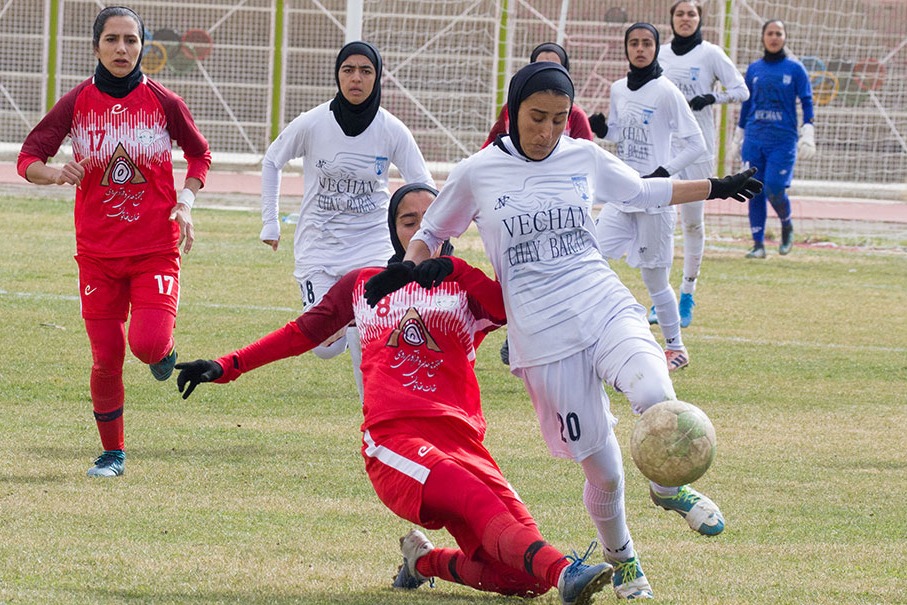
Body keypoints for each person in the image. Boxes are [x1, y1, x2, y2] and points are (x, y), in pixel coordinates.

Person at [364, 61, 761, 599]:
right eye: (536, 117)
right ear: (512, 112)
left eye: (558, 118)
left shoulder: (582, 154)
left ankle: (668, 485)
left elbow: (642, 192)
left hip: (600, 300)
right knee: (604, 471)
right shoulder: (479, 171)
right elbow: (432, 231)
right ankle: (622, 558)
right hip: (542, 336)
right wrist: (406, 269)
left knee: (656, 393)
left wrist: (717, 186)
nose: (547, 131)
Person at [174, 185, 613, 605]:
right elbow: (300, 333)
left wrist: (458, 270)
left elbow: (510, 311)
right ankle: (565, 572)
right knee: (489, 515)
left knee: (520, 578)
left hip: (463, 442)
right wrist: (225, 366)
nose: (421, 230)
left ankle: (424, 561)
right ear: (394, 231)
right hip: (394, 440)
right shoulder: (364, 283)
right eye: (409, 222)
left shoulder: (464, 285)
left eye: (432, 220)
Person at [16, 6, 211, 478]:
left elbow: (199, 154)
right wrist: (55, 173)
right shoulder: (77, 102)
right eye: (112, 40)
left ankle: (162, 352)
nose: (122, 49)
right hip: (97, 256)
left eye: (130, 40)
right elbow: (27, 158)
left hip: (154, 250)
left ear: (143, 45)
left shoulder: (164, 101)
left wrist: (185, 202)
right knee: (106, 357)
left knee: (145, 346)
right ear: (96, 46)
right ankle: (112, 453)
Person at [259, 40, 435, 400]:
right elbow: (272, 160)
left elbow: (425, 186)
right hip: (318, 247)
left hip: (372, 246)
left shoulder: (392, 130)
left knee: (366, 329)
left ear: (378, 76)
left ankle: (373, 416)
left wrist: (433, 237)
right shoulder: (312, 123)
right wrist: (270, 221)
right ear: (337, 75)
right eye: (348, 70)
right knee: (324, 344)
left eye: (365, 71)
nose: (356, 78)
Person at [594, 22, 706, 372]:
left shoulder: (667, 91)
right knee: (591, 256)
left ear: (656, 48)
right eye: (634, 43)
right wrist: (603, 129)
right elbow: (618, 132)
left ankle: (675, 348)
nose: (640, 49)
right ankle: (593, 333)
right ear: (626, 49)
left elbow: (696, 144)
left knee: (654, 279)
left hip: (655, 198)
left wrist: (664, 173)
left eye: (646, 43)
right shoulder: (617, 88)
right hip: (622, 194)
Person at [484, 41, 593, 367]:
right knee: (518, 273)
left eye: (555, 65)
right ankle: (516, 336)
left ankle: (573, 336)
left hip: (557, 211)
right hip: (517, 209)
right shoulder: (510, 111)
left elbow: (587, 163)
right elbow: (488, 152)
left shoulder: (575, 115)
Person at [658, 0, 750, 327]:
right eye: (680, 13)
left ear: (700, 19)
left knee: (692, 223)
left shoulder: (710, 53)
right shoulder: (661, 54)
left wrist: (713, 97)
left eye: (692, 14)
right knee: (662, 220)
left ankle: (687, 293)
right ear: (672, 19)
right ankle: (663, 298)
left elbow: (742, 91)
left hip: (699, 149)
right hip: (666, 149)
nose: (686, 19)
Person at [736, 19, 815, 258]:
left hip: (783, 140)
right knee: (753, 188)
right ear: (762, 37)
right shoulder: (754, 69)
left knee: (774, 187)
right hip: (754, 137)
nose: (774, 37)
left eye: (778, 33)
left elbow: (807, 100)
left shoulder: (795, 69)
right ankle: (758, 245)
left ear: (785, 38)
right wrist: (738, 134)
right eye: (770, 33)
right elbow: (747, 102)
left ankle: (786, 223)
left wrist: (808, 130)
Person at [482, 42, 593, 150]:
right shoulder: (510, 109)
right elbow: (491, 145)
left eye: (558, 120)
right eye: (537, 118)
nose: (547, 135)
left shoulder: (576, 116)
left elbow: (585, 157)